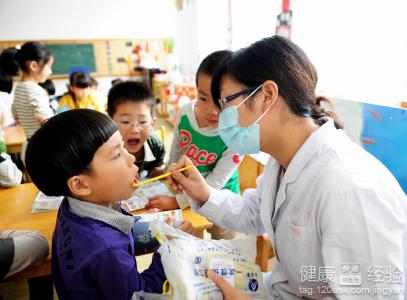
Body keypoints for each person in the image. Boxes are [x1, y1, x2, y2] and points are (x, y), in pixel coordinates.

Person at [167, 36, 407, 299]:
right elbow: (254, 213)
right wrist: (204, 193)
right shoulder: (283, 160)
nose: (221, 117)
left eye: (226, 104)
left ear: (267, 95)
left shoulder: (349, 187)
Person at [25, 109, 194, 299]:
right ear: (80, 184)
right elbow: (140, 295)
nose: (131, 157)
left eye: (123, 147)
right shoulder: (107, 250)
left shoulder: (72, 207)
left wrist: (154, 230)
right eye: (116, 155)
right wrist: (168, 250)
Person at [145, 50, 241, 240]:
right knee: (190, 245)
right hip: (187, 198)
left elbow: (214, 183)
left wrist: (176, 201)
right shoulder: (185, 113)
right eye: (203, 98)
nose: (212, 111)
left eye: (221, 102)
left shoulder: (237, 133)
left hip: (221, 200)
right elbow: (176, 151)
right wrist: (169, 172)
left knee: (222, 252)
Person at [8, 42, 54, 165]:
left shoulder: (18, 88)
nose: (50, 71)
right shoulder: (35, 90)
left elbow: (16, 115)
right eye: (48, 66)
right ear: (33, 65)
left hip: (28, 146)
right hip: (43, 148)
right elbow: (44, 120)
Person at [107, 81, 165, 179]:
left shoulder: (155, 145)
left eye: (142, 122)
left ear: (152, 124)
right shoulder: (106, 151)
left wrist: (157, 170)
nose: (134, 130)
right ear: (110, 122)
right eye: (125, 122)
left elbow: (157, 166)